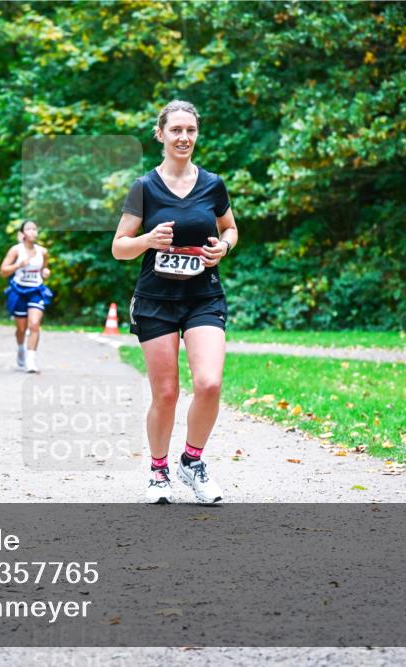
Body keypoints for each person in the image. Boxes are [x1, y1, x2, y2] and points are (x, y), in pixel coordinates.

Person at [111, 100, 239, 505]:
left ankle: (193, 463)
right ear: (161, 134)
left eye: (191, 130)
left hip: (203, 295)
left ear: (196, 135)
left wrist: (224, 247)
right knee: (165, 394)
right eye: (176, 130)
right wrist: (147, 240)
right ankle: (159, 471)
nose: (184, 137)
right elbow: (119, 248)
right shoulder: (145, 187)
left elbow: (230, 228)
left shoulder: (213, 184)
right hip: (156, 299)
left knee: (210, 383)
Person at [0, 220, 52, 373]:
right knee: (21, 329)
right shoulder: (15, 250)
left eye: (35, 229)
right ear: (22, 233)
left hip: (36, 290)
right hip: (18, 291)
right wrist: (18, 265)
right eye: (29, 229)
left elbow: (44, 268)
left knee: (34, 325)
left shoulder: (43, 251)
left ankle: (31, 361)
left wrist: (46, 272)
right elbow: (3, 271)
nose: (33, 232)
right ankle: (21, 348)